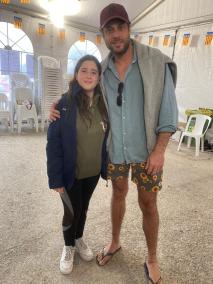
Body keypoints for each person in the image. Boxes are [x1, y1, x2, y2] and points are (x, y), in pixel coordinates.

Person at [49, 3, 178, 283]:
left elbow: (168, 110)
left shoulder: (156, 61)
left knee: (149, 203)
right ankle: (115, 241)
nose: (116, 34)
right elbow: (82, 89)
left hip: (147, 151)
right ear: (103, 34)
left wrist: (160, 150)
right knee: (117, 194)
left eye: (120, 27)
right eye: (110, 29)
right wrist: (58, 104)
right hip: (115, 151)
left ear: (129, 29)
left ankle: (152, 257)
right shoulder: (103, 68)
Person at [46, 55, 108, 275]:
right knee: (71, 211)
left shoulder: (104, 103)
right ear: (76, 74)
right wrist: (55, 179)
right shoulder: (63, 103)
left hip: (92, 171)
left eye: (93, 71)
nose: (88, 75)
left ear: (99, 76)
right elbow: (53, 145)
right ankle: (68, 246)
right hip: (69, 173)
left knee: (83, 208)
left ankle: (79, 239)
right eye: (84, 70)